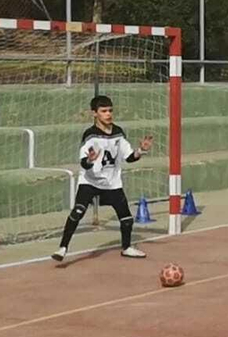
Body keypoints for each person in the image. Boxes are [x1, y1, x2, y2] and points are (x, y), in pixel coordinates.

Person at [52, 95, 153, 262]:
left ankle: (127, 247)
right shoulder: (90, 135)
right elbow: (84, 163)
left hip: (112, 182)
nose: (108, 114)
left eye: (110, 110)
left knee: (126, 218)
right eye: (104, 111)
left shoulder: (118, 133)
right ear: (94, 113)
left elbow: (129, 157)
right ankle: (62, 248)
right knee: (77, 212)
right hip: (90, 181)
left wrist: (141, 150)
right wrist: (90, 160)